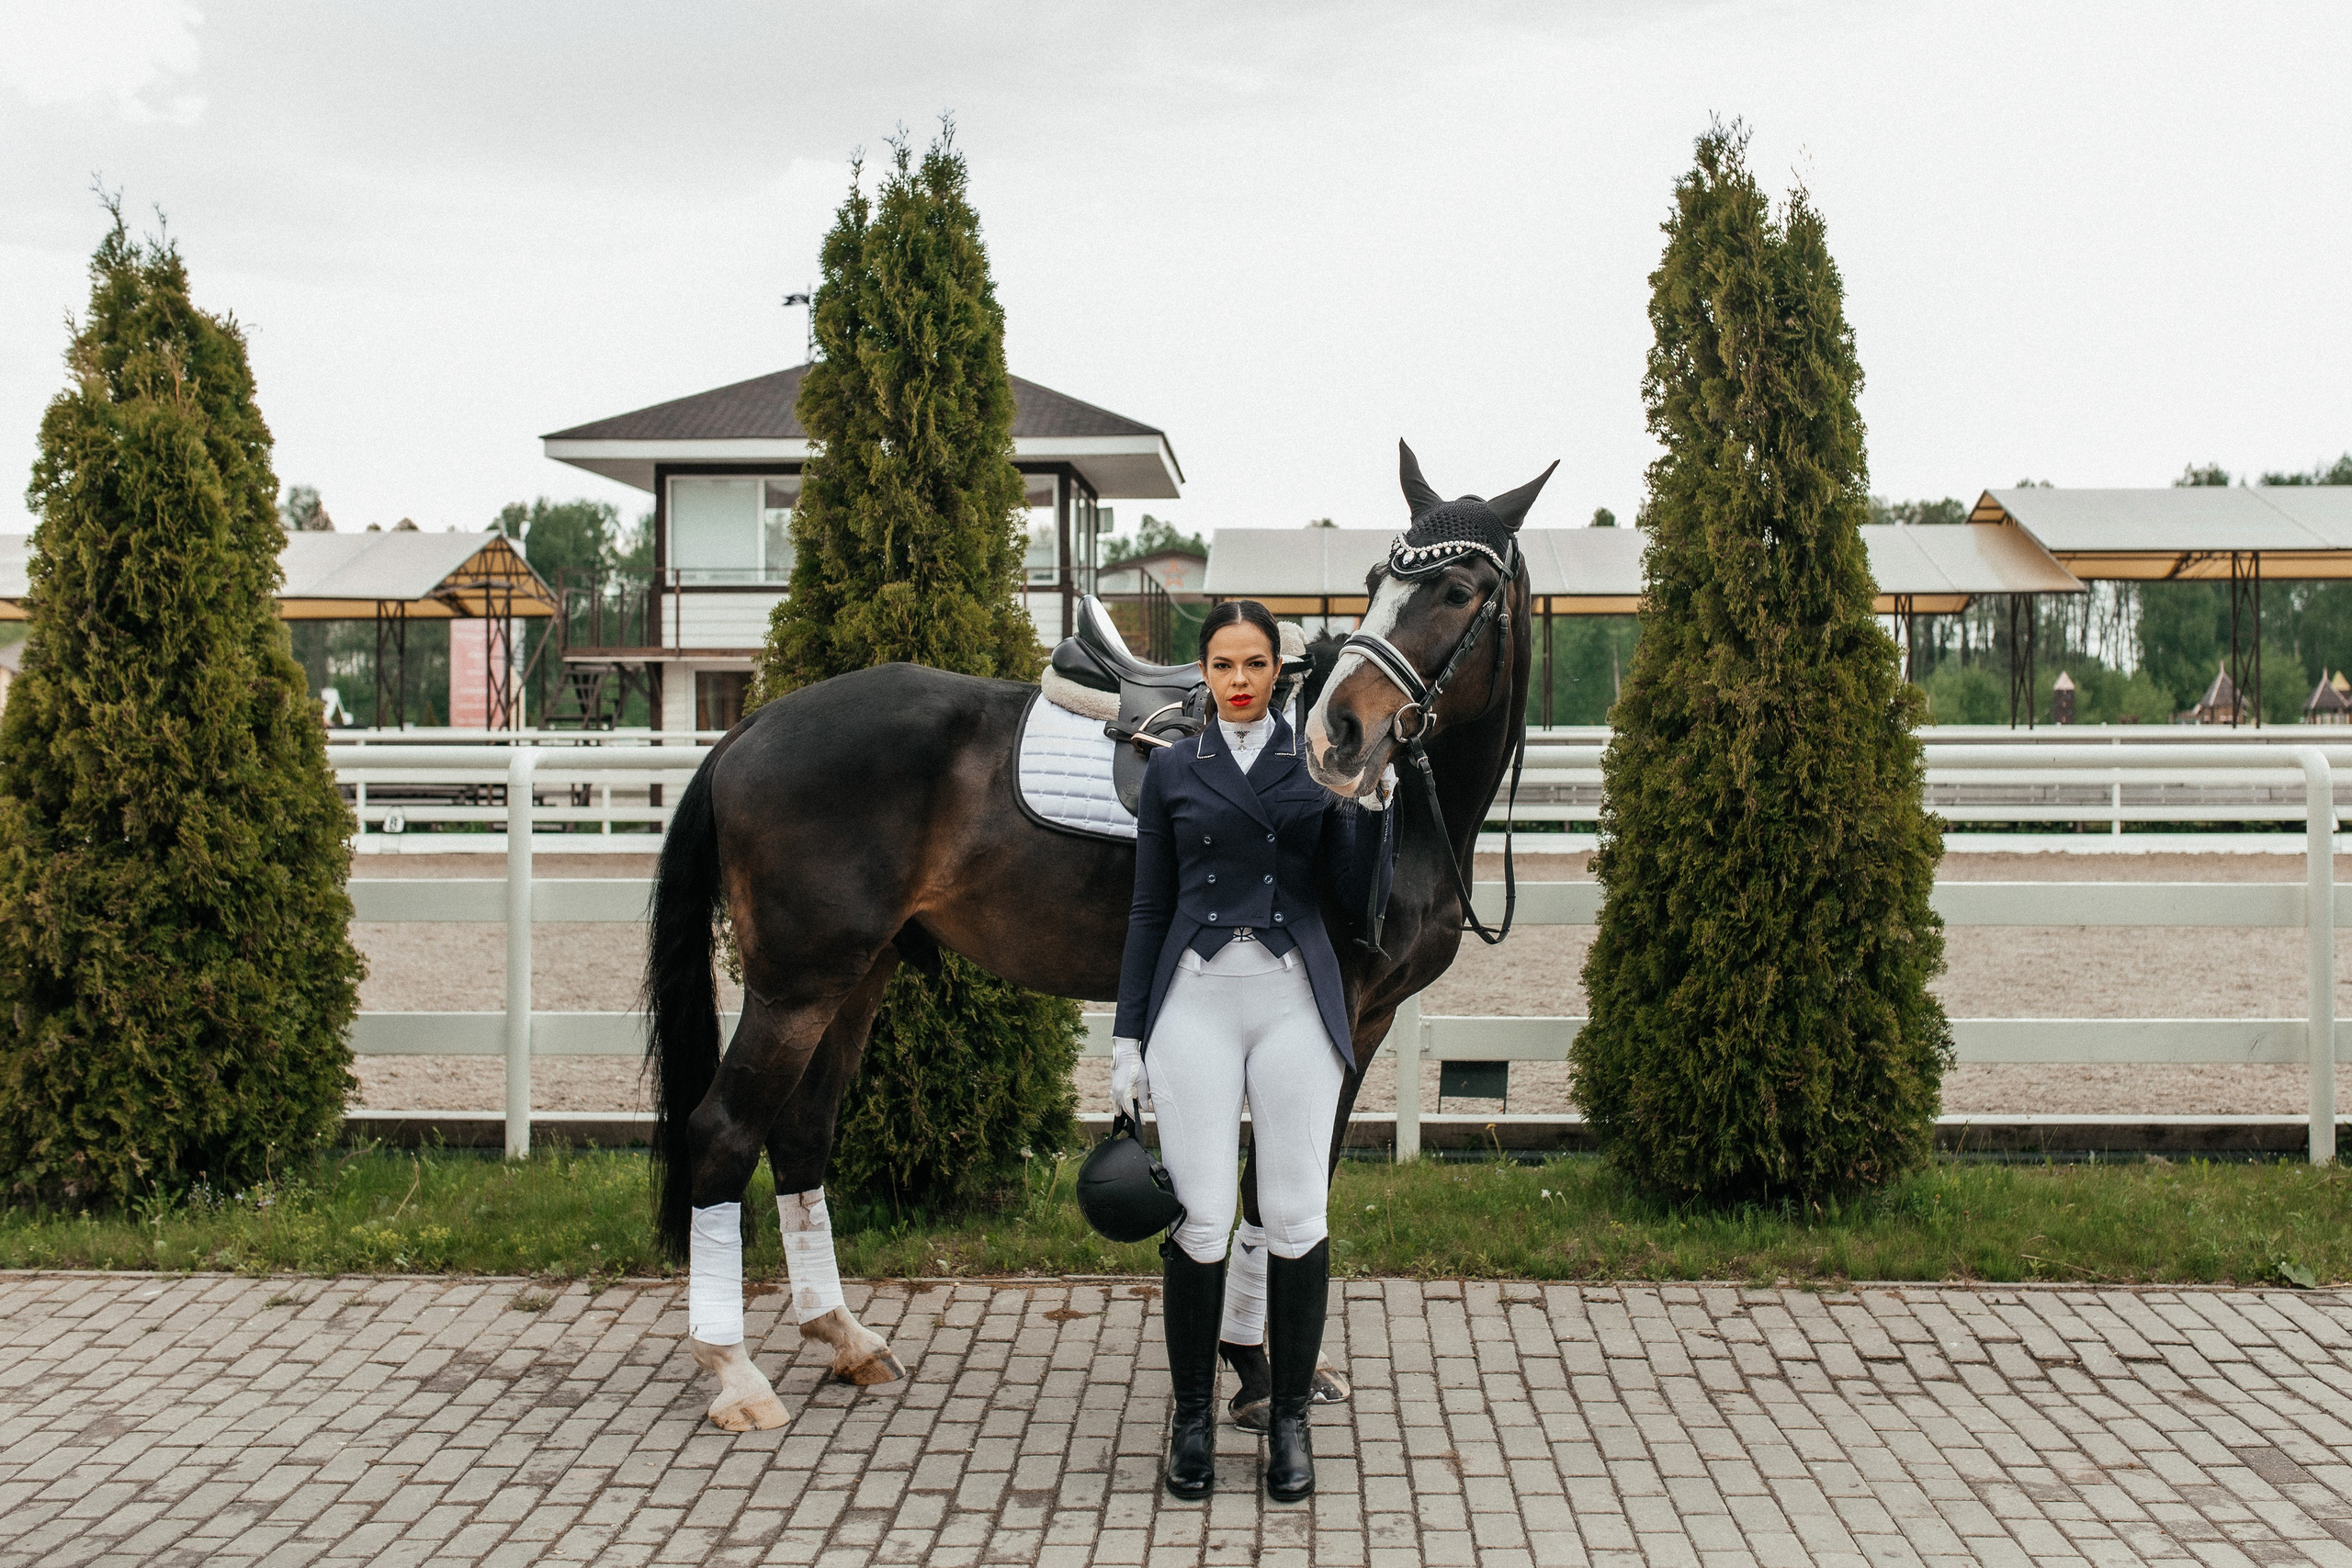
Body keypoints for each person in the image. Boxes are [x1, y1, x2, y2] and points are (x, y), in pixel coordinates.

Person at [1111, 599, 1392, 1504]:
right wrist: (1127, 1034)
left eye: (1255, 664)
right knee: (1198, 1218)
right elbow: (1149, 909)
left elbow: (1354, 899)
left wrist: (1369, 809)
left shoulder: (1311, 762)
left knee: (1296, 1214)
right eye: (1223, 664)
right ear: (1203, 673)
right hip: (1192, 1002)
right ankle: (1192, 1419)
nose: (1239, 679)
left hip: (1290, 1005)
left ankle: (1289, 1425)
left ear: (1278, 673)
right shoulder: (1172, 771)